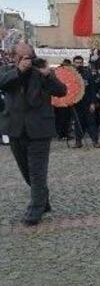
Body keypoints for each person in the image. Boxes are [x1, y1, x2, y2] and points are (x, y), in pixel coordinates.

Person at [0, 44, 67, 225]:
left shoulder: (42, 72)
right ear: (14, 57)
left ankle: (35, 209)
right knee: (26, 171)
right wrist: (19, 72)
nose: (26, 60)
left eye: (29, 56)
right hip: (15, 129)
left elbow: (62, 91)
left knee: (37, 172)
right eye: (22, 57)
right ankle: (43, 199)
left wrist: (48, 75)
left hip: (39, 130)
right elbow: (2, 82)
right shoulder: (7, 71)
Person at [71, 55, 100, 148]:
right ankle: (78, 141)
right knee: (78, 123)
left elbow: (93, 89)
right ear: (73, 63)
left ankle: (95, 141)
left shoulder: (88, 74)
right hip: (76, 103)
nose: (79, 64)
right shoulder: (71, 75)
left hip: (87, 103)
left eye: (80, 62)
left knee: (91, 122)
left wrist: (93, 103)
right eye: (77, 63)